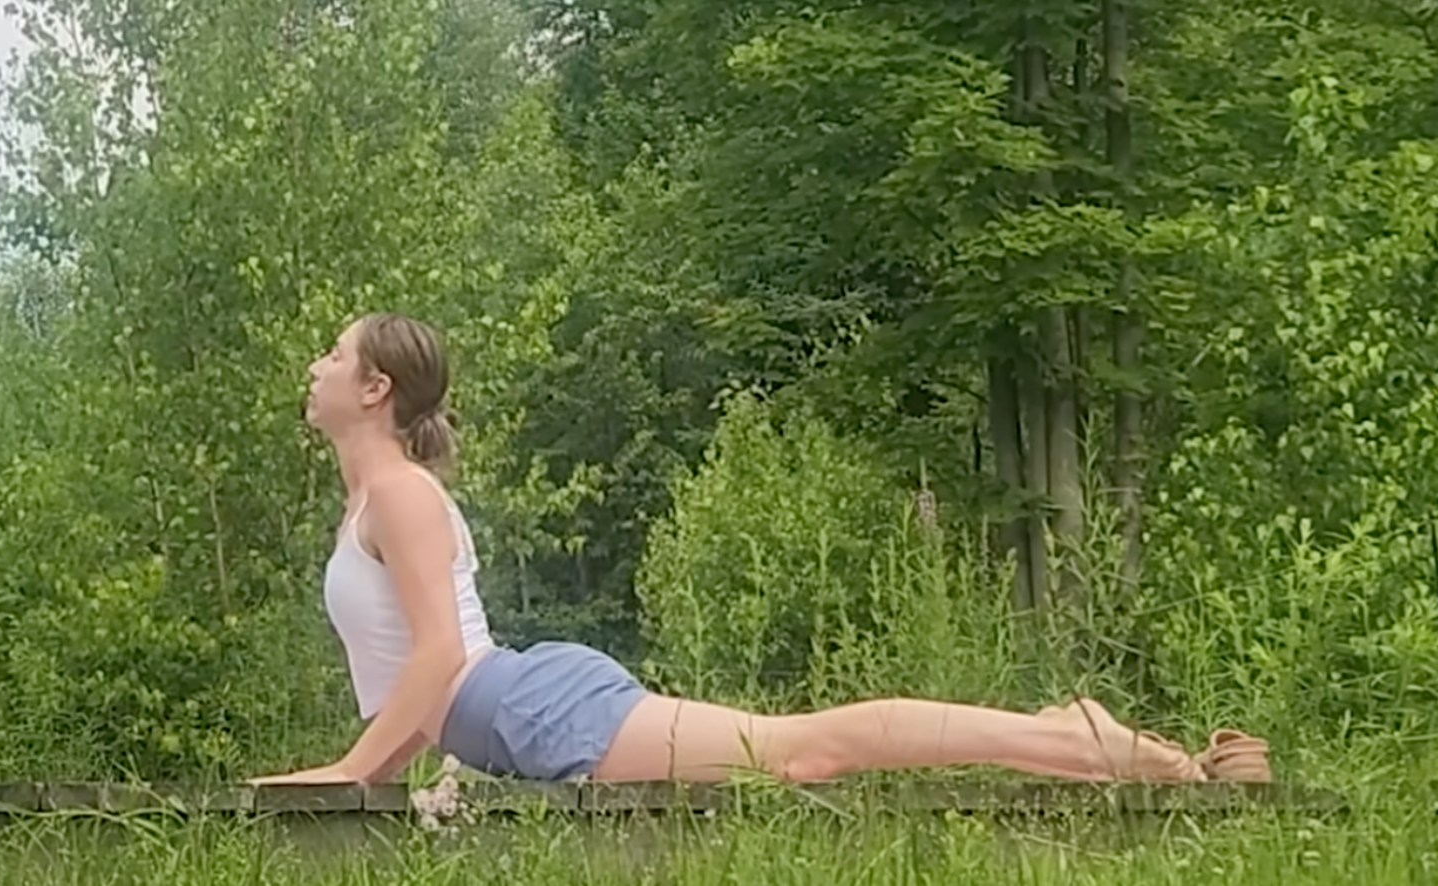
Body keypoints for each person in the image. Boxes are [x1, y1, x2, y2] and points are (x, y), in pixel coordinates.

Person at [247, 312, 1271, 788]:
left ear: (375, 387)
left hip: (524, 704)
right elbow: (413, 685)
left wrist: (346, 776)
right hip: (509, 718)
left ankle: (1119, 750)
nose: (315, 366)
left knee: (806, 750)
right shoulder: (374, 500)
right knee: (801, 748)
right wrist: (393, 781)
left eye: (333, 355)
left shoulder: (400, 493)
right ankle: (1078, 734)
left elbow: (436, 662)